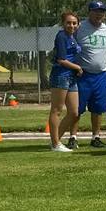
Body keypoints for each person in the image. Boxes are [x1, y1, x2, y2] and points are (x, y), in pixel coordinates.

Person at [69, 0, 106, 149]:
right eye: (95, 11)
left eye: (102, 12)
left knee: (98, 108)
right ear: (89, 12)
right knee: (77, 108)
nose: (99, 14)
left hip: (101, 74)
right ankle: (73, 137)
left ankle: (96, 137)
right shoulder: (79, 28)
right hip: (83, 74)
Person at [47, 11, 83, 152]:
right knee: (57, 110)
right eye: (68, 23)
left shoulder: (72, 37)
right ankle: (56, 144)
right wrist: (77, 68)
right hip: (61, 76)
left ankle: (55, 140)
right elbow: (61, 60)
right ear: (63, 24)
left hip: (72, 77)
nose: (71, 25)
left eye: (74, 23)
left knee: (74, 112)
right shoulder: (61, 36)